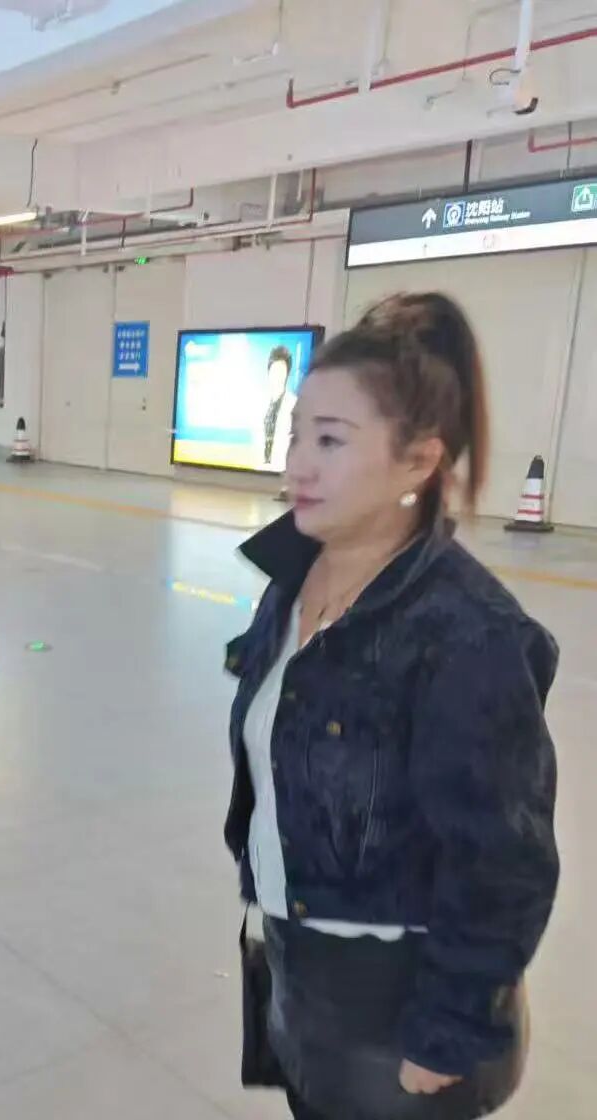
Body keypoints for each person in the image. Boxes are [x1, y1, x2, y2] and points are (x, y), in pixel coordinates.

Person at [224, 293, 559, 1120]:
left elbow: (502, 864)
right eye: (296, 433)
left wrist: (446, 1033)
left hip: (393, 1004)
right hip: (297, 965)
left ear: (417, 463)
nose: (297, 464)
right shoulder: (293, 578)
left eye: (330, 440)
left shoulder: (465, 634)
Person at [261, 345, 294, 466]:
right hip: (258, 468)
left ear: (287, 374)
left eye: (281, 371)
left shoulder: (294, 405)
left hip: (281, 470)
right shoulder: (260, 403)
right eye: (274, 370)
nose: (277, 375)